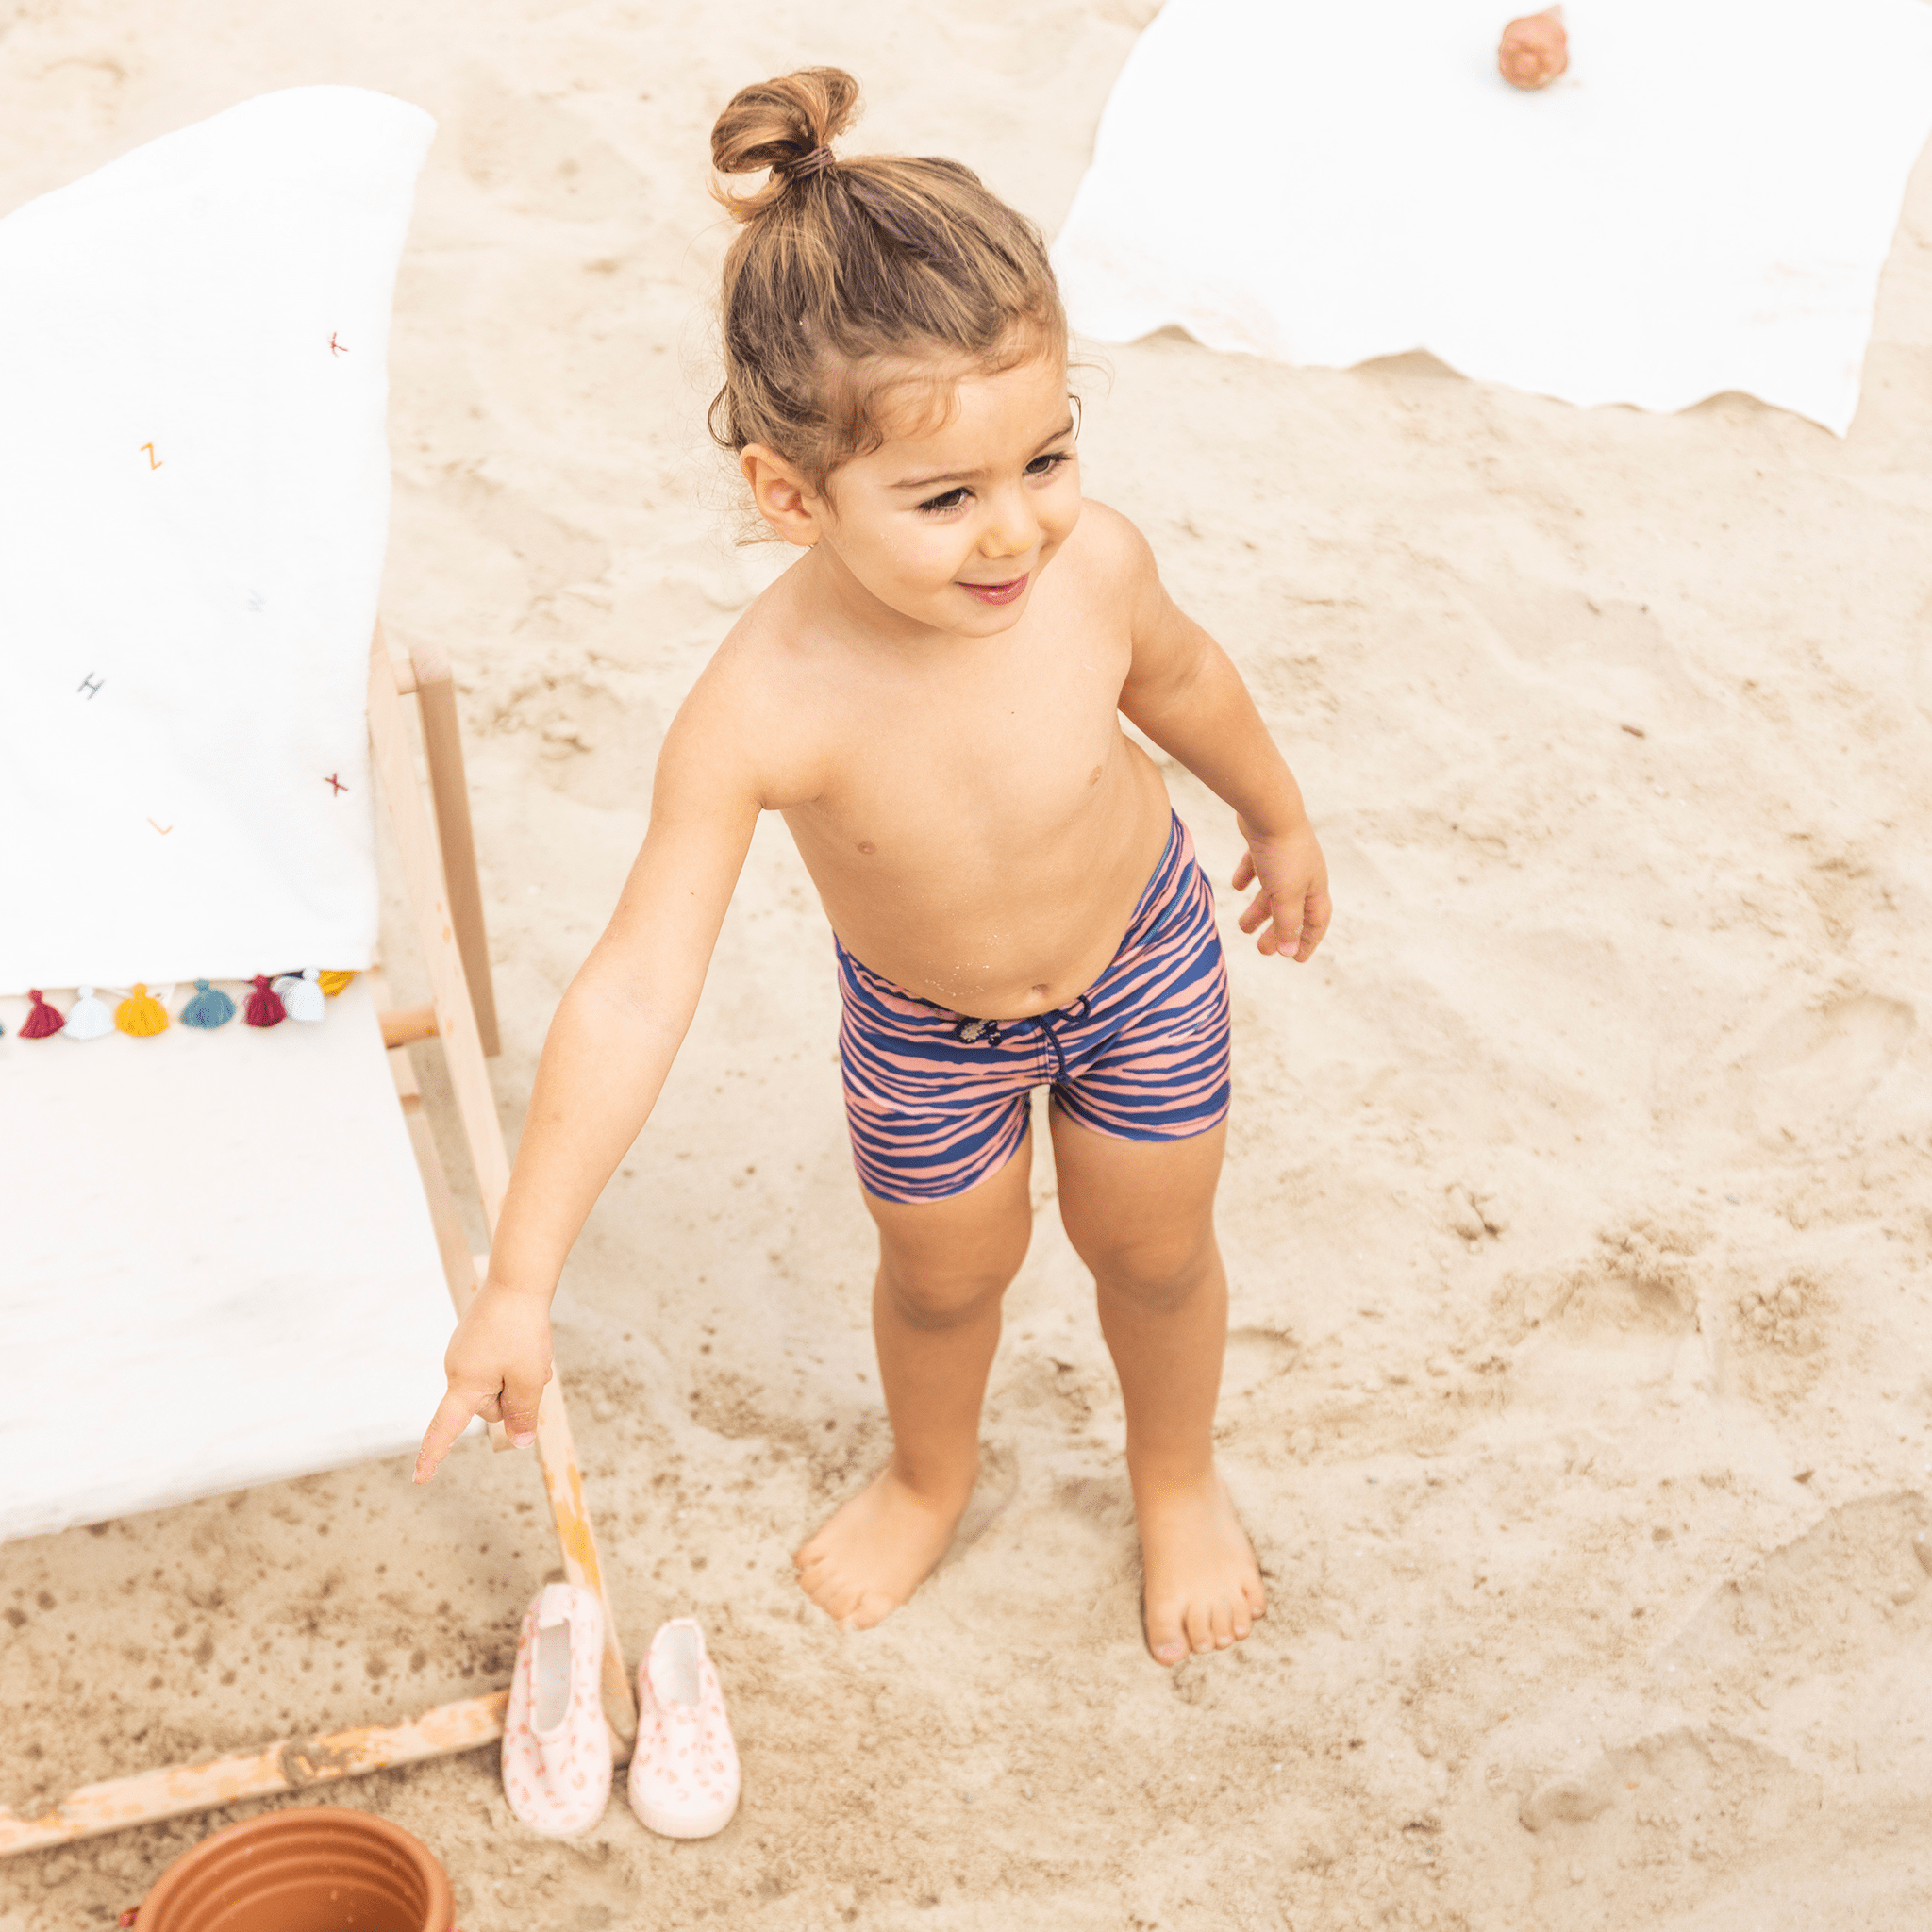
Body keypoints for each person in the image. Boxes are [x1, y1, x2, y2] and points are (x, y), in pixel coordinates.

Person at [414, 66, 1331, 1668]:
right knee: (941, 1275)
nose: (1016, 533)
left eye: (1045, 460)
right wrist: (519, 1276)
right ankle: (930, 1473)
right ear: (790, 497)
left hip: (1141, 958)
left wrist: (1278, 815)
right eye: (944, 497)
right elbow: (640, 981)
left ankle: (1175, 1473)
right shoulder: (763, 707)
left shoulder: (1091, 566)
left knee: (1157, 1246)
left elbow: (1182, 683)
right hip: (929, 1027)